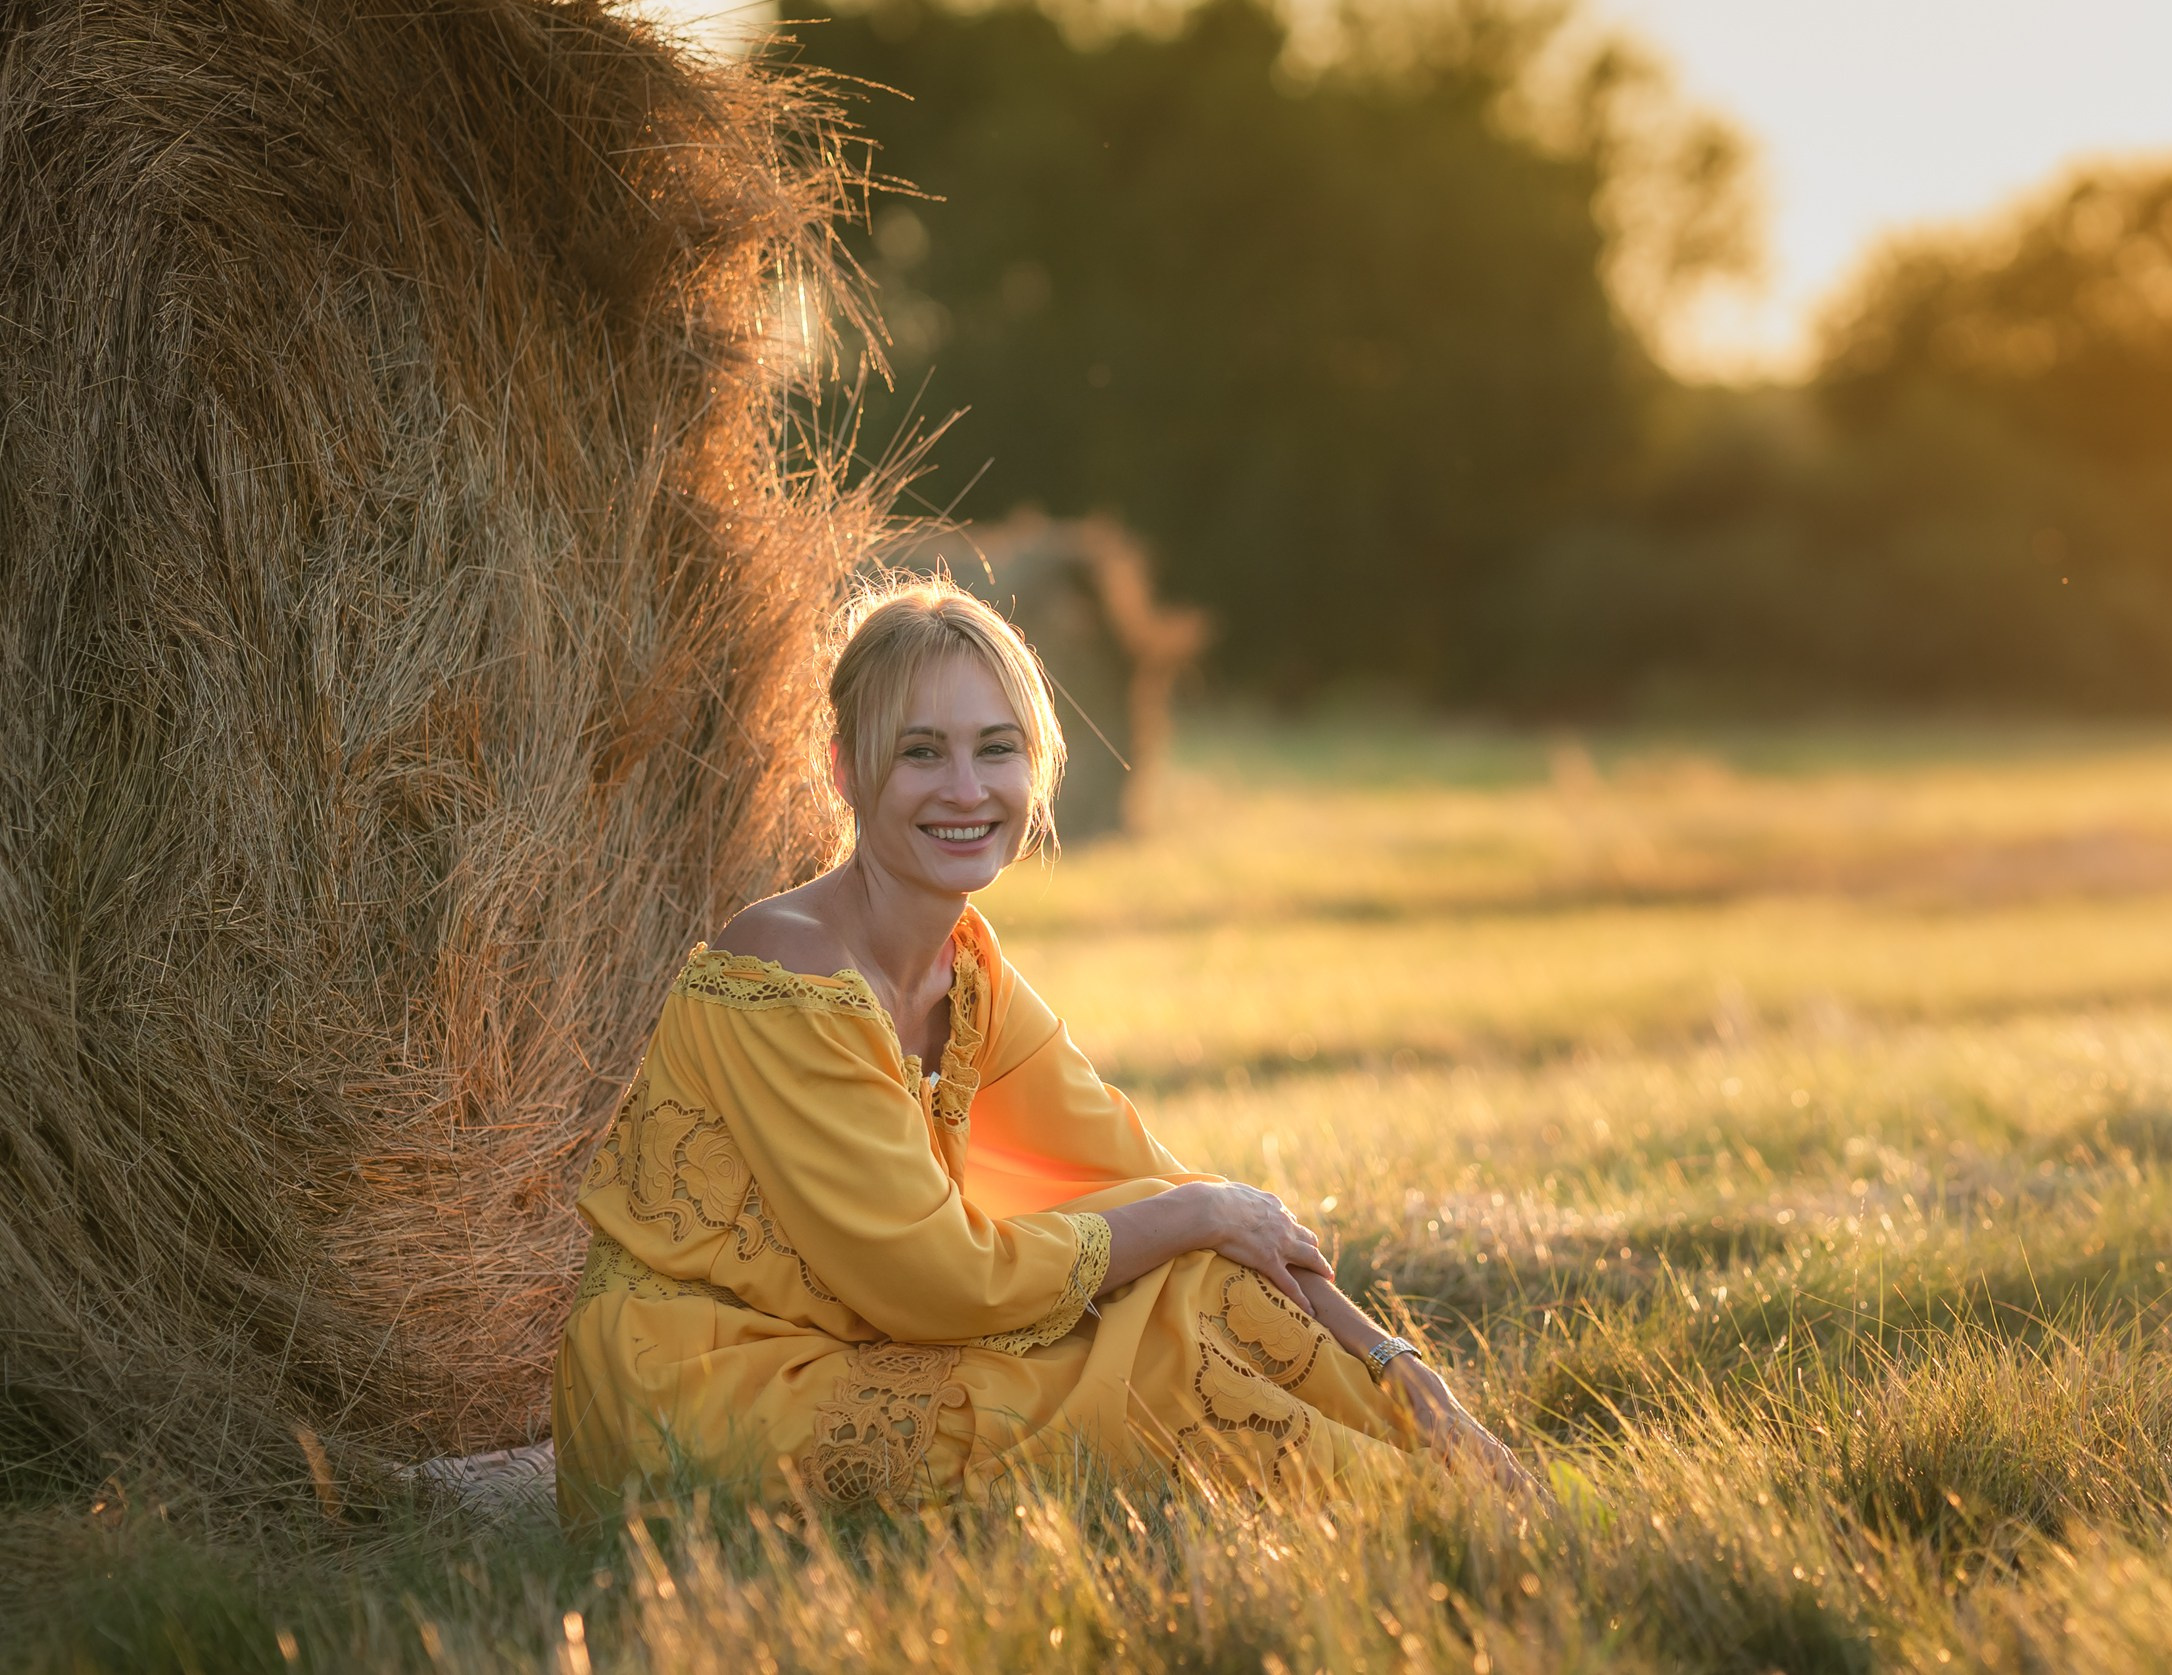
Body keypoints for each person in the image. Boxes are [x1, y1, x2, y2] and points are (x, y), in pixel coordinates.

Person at [551, 577, 1523, 1524]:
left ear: (1037, 766)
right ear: (847, 770)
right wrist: (1196, 1213)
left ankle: (1449, 1481)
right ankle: (1413, 1514)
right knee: (1144, 1372)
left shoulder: (964, 972)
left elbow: (1171, 1192)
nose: (967, 790)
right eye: (921, 753)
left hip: (866, 1347)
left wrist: (1400, 1364)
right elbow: (937, 1281)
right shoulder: (786, 971)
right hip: (697, 1390)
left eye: (996, 750)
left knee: (1205, 1280)